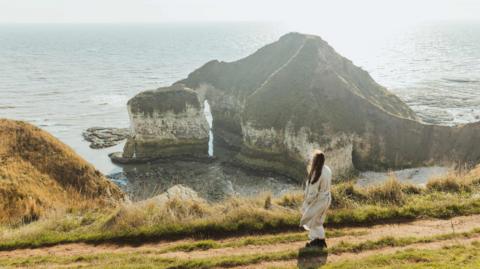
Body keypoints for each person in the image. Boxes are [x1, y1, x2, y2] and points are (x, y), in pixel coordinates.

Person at [300, 150, 332, 248]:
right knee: (317, 221)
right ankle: (320, 241)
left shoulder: (316, 173)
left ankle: (316, 241)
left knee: (313, 221)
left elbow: (312, 193)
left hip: (318, 201)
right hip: (326, 198)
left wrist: (307, 202)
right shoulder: (327, 169)